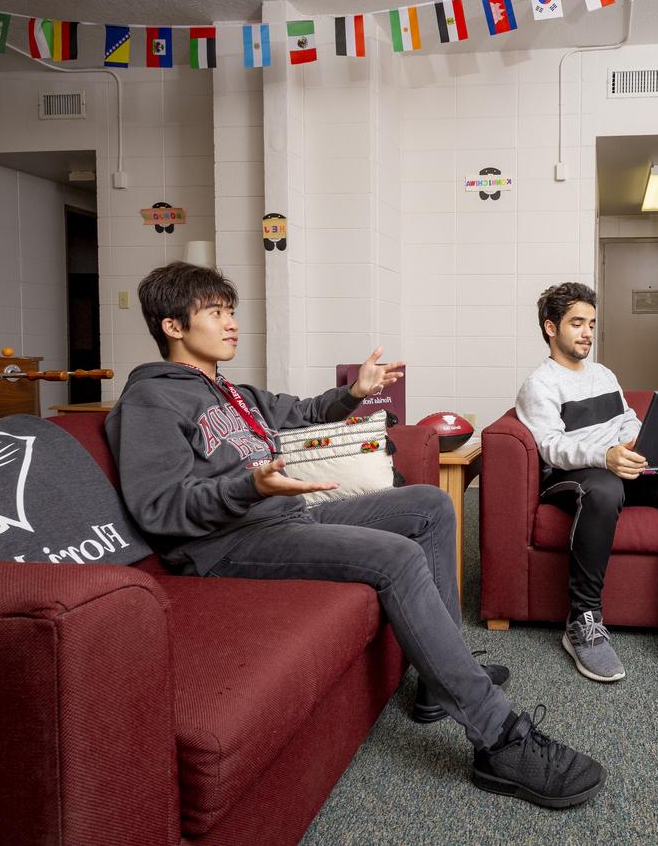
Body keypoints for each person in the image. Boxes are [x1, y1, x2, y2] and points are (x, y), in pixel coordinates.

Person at [105, 261, 603, 809]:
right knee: (396, 556)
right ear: (173, 326)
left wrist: (355, 392)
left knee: (430, 504)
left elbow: (301, 412)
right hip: (224, 544)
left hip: (281, 518)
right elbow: (159, 507)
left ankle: (441, 677)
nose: (231, 324)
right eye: (215, 313)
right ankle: (500, 740)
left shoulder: (232, 393)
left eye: (231, 312)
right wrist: (249, 487)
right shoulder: (150, 401)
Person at [515, 282, 658, 696]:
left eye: (592, 324)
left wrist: (640, 442)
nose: (587, 333)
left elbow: (626, 419)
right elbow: (551, 446)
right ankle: (583, 621)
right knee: (603, 490)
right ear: (550, 327)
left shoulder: (603, 374)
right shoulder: (540, 384)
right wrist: (606, 456)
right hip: (577, 475)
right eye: (576, 323)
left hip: (620, 463)